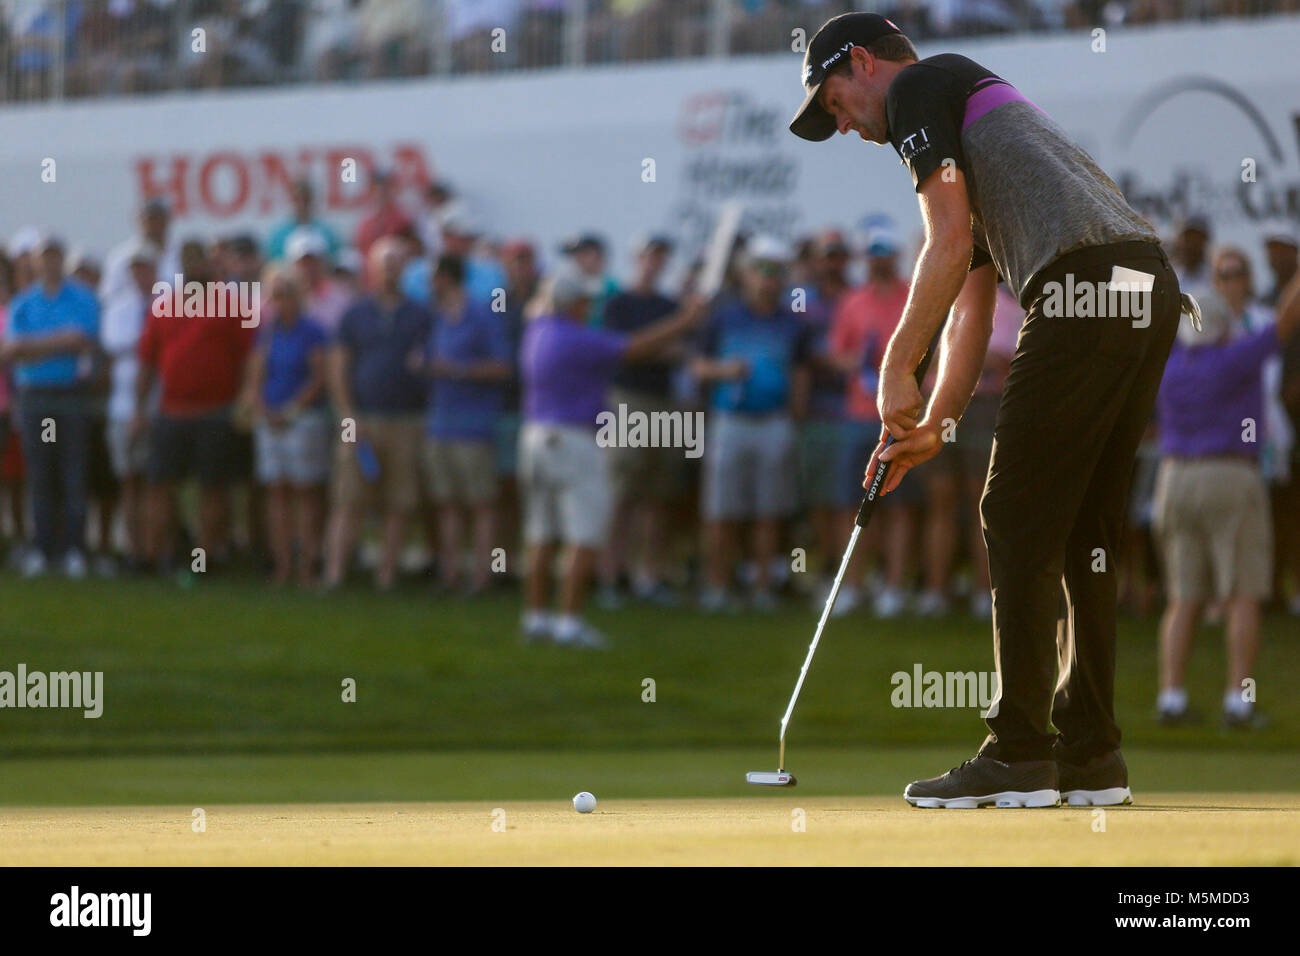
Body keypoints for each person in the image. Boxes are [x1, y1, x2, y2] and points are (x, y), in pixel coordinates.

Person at [790, 12, 1188, 807]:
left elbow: (941, 245)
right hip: (1145, 287)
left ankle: (1018, 754)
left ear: (863, 63)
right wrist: (935, 421)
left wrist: (895, 365)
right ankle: (1091, 757)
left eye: (834, 104)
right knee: (1085, 532)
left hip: (1087, 289)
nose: (842, 127)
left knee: (1012, 511)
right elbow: (970, 297)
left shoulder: (919, 87)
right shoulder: (961, 112)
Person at [519, 268, 704, 647]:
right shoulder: (576, 339)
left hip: (535, 437)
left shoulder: (538, 330)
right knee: (583, 535)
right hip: (573, 440)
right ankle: (569, 624)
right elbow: (636, 347)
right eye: (583, 301)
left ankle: (536, 619)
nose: (589, 307)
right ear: (572, 304)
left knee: (540, 535)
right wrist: (685, 320)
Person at [1154, 272, 1300, 729]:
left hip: (1173, 479)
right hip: (1229, 476)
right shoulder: (1236, 357)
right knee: (1241, 594)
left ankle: (1171, 698)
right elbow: (1286, 319)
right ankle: (1239, 702)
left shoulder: (1169, 364)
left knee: (1182, 597)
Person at [693, 236, 812, 612]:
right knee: (722, 511)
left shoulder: (793, 324)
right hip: (730, 422)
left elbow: (800, 376)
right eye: (761, 270)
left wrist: (795, 420)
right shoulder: (723, 316)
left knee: (769, 512)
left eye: (775, 272)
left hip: (775, 424)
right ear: (745, 273)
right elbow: (697, 366)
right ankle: (717, 587)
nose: (768, 278)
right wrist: (724, 370)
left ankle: (762, 589)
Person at [133, 240, 256, 573]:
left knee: (213, 489)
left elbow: (250, 357)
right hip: (171, 413)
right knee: (160, 485)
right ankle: (152, 556)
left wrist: (247, 396)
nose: (194, 267)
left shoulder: (233, 305)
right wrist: (138, 409)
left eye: (198, 260)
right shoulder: (163, 307)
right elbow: (146, 362)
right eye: (187, 261)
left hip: (216, 413)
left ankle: (203, 559)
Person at [322, 237, 430, 591]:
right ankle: (335, 573)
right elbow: (339, 367)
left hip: (406, 421)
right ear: (372, 268)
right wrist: (348, 416)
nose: (389, 270)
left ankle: (387, 575)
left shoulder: (420, 314)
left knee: (398, 502)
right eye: (384, 263)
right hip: (359, 420)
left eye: (396, 263)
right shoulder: (355, 314)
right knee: (348, 498)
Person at [828, 224, 916, 618]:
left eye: (885, 251)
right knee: (851, 502)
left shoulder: (914, 295)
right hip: (858, 415)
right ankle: (854, 586)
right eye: (872, 252)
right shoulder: (853, 300)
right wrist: (863, 365)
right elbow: (836, 354)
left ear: (895, 256)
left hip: (900, 417)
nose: (878, 258)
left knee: (898, 507)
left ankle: (894, 587)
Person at [1, 237, 100, 578]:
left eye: (56, 257)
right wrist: (59, 341)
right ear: (37, 264)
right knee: (40, 474)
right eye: (45, 258)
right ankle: (43, 548)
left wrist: (33, 345)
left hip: (71, 396)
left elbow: (84, 340)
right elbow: (11, 351)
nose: (50, 264)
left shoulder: (82, 298)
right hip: (35, 397)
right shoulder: (24, 302)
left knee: (73, 473)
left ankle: (73, 549)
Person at [414, 255, 512, 595]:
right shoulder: (438, 318)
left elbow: (502, 367)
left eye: (433, 277)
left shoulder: (484, 315)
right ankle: (451, 573)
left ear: (446, 278)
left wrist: (456, 369)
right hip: (440, 421)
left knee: (482, 503)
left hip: (474, 424)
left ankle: (486, 575)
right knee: (447, 502)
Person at [598, 235, 683, 606]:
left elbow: (679, 352)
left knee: (658, 495)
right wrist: (656, 347)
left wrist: (650, 348)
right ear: (637, 259)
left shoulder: (670, 304)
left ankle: (648, 575)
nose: (653, 262)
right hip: (626, 402)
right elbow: (622, 351)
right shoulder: (618, 303)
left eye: (660, 257)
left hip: (664, 402)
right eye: (648, 256)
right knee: (621, 493)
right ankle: (610, 576)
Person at [242, 267, 330, 587]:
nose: (280, 301)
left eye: (286, 294)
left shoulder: (313, 331)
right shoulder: (265, 331)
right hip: (270, 419)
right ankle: (281, 566)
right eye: (275, 295)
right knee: (276, 492)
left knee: (305, 493)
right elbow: (255, 375)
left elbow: (319, 377)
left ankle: (308, 566)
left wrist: (291, 410)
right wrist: (262, 407)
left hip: (302, 420)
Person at [100, 238, 159, 570]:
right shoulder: (118, 307)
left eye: (146, 267)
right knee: (129, 480)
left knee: (154, 481)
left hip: (157, 405)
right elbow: (116, 343)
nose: (141, 274)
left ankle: (153, 551)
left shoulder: (168, 304)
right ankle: (134, 551)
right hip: (122, 408)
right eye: (135, 268)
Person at [266, 178, 341, 263]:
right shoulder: (278, 236)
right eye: (298, 199)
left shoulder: (326, 233)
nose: (302, 204)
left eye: (305, 199)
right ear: (292, 200)